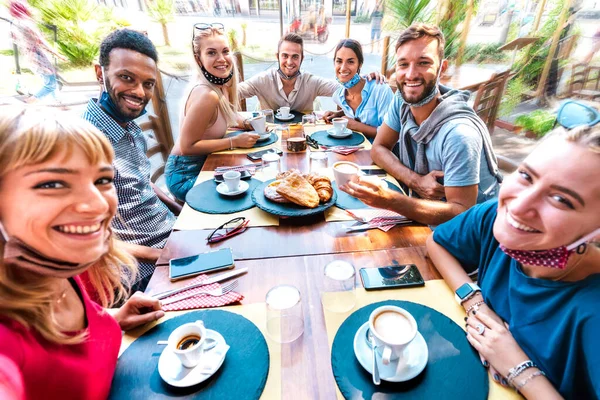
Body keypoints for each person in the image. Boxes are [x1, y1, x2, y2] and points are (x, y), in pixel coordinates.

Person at [0, 107, 165, 399]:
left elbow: (67, 344)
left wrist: (113, 319)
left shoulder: (59, 268)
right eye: (52, 184)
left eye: (102, 180)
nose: (99, 205)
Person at [426, 125, 600, 399]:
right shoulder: (493, 216)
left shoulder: (592, 311)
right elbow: (436, 243)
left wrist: (518, 369)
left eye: (561, 199)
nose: (517, 207)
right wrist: (474, 301)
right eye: (526, 176)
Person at [341, 24, 501, 226]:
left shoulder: (459, 134)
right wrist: (416, 181)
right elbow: (378, 149)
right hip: (423, 212)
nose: (411, 74)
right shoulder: (402, 100)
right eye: (403, 64)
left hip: (473, 237)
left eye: (423, 62)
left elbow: (462, 213)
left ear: (441, 68)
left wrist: (391, 201)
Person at [83, 29, 177, 293]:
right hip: (140, 273)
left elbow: (142, 183)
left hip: (169, 236)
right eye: (126, 78)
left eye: (148, 83)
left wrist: (181, 211)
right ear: (100, 73)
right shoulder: (86, 144)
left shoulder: (129, 127)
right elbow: (91, 240)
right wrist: (160, 256)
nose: (139, 92)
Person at [165, 24, 258, 202]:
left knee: (253, 174)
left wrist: (246, 123)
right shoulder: (207, 95)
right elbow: (187, 147)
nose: (221, 58)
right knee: (248, 194)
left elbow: (224, 117)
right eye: (211, 52)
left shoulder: (221, 85)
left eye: (225, 51)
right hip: (186, 174)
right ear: (198, 59)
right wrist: (233, 141)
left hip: (208, 164)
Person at [237, 33, 385, 112]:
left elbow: (344, 88)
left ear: (302, 59)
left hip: (303, 142)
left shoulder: (311, 82)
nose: (289, 62)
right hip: (269, 142)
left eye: (295, 57)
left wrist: (366, 79)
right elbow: (235, 92)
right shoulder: (263, 80)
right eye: (285, 56)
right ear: (277, 57)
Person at [322, 39, 393, 142]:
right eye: (339, 61)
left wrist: (356, 126)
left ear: (360, 64)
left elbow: (390, 134)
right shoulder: (339, 96)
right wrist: (338, 114)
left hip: (379, 154)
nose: (343, 68)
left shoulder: (380, 90)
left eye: (350, 61)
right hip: (353, 150)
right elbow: (356, 113)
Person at [8, 1, 65, 103]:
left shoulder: (15, 25)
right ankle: (30, 101)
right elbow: (41, 42)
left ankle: (58, 102)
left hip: (30, 57)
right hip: (38, 57)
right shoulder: (27, 23)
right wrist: (57, 54)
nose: (29, 7)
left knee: (50, 81)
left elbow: (17, 40)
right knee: (50, 84)